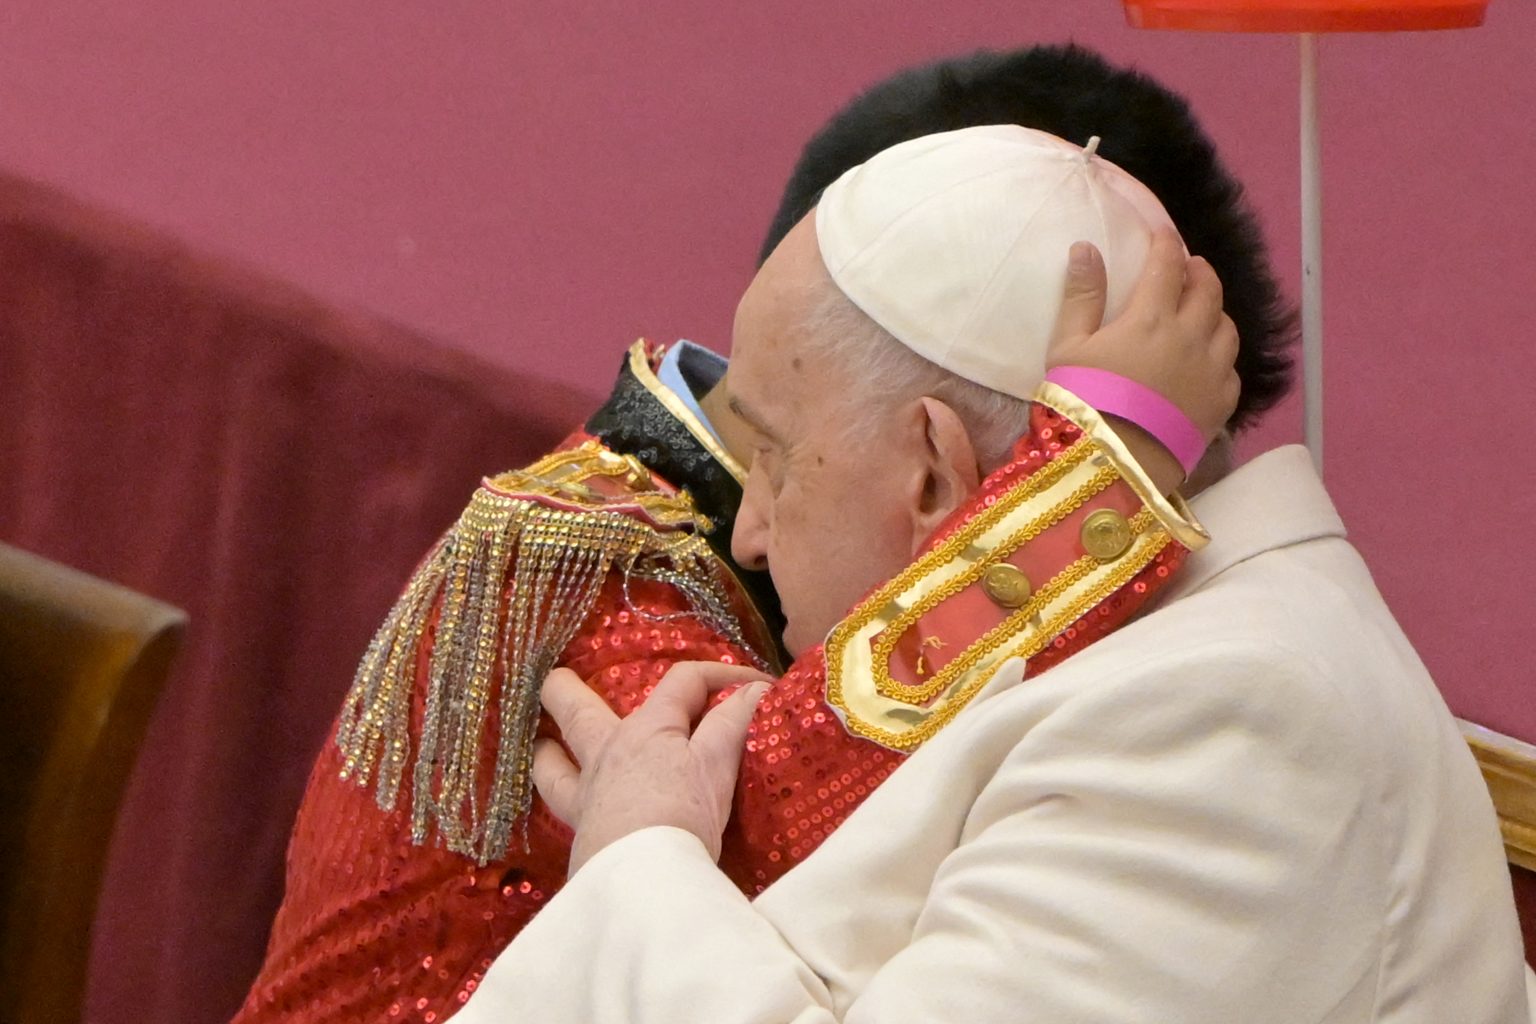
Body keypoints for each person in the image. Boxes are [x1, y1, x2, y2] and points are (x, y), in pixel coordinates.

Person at [232, 46, 1246, 1024]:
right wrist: (1101, 471)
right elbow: (782, 806)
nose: (753, 535)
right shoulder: (611, 581)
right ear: (937, 471)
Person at [455, 126, 1532, 1023]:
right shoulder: (1149, 661)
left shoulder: (1227, 721)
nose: (752, 536)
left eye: (774, 457)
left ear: (932, 471)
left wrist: (637, 864)